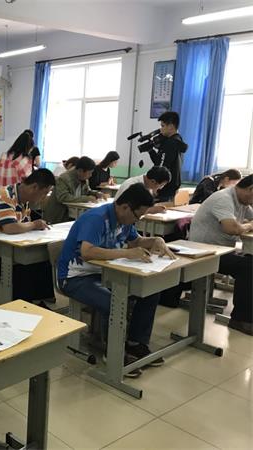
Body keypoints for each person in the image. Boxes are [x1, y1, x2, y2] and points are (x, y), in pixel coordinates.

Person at [58, 184, 176, 377]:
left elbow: (136, 241)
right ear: (125, 207)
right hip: (75, 277)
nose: (138, 220)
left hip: (106, 273)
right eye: (138, 216)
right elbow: (87, 252)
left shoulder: (125, 219)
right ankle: (113, 353)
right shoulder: (97, 218)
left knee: (150, 290)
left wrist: (156, 240)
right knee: (113, 301)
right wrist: (126, 253)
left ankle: (135, 343)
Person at [0, 169, 56, 303]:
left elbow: (22, 226)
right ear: (34, 187)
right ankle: (23, 306)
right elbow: (10, 227)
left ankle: (41, 299)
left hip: (6, 248)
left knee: (42, 259)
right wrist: (34, 224)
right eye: (45, 192)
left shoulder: (24, 200)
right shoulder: (6, 196)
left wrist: (33, 226)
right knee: (22, 268)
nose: (44, 197)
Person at [189, 175, 253, 335]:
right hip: (203, 252)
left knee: (250, 260)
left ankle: (246, 312)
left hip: (221, 250)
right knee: (249, 267)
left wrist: (247, 224)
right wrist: (249, 225)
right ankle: (240, 319)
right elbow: (232, 228)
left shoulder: (242, 201)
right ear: (250, 189)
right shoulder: (224, 198)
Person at [44, 156, 105, 224]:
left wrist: (96, 194)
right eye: (89, 173)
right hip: (59, 216)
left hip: (74, 214)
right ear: (80, 171)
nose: (90, 175)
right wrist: (87, 198)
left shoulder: (84, 179)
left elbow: (87, 191)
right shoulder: (64, 178)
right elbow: (63, 197)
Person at [147, 111, 188, 202]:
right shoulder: (178, 140)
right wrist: (151, 151)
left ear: (170, 126)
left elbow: (161, 167)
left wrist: (156, 187)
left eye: (162, 126)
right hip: (172, 187)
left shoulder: (170, 143)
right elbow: (160, 161)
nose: (161, 129)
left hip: (164, 188)